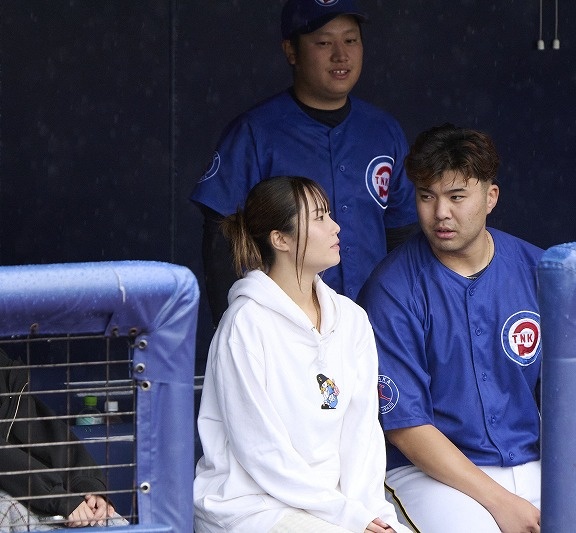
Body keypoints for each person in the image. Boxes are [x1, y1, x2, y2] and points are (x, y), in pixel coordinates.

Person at [193, 176, 412, 533]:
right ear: (280, 239)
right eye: (320, 218)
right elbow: (261, 451)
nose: (335, 227)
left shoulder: (352, 319)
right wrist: (348, 516)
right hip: (253, 507)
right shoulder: (245, 324)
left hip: (334, 509)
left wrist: (372, 514)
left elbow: (362, 437)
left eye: (330, 215)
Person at [357, 124, 548, 532]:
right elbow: (407, 427)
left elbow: (572, 400)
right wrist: (502, 502)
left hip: (534, 460)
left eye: (456, 196)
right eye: (427, 196)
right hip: (433, 475)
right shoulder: (391, 288)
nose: (440, 212)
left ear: (490, 197)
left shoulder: (541, 271)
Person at [191, 0, 418, 325]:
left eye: (350, 40)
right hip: (284, 327)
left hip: (372, 326)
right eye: (324, 43)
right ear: (291, 51)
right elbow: (222, 241)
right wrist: (236, 326)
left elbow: (402, 236)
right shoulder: (255, 132)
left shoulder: (383, 131)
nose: (341, 55)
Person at [0, 348, 123, 529]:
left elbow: (47, 433)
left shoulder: (5, 370)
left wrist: (89, 488)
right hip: (32, 497)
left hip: (45, 492)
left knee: (110, 521)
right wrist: (58, 498)